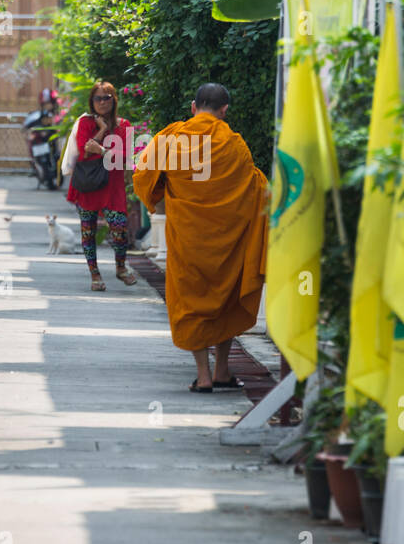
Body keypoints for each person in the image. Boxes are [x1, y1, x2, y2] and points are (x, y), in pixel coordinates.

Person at [133, 82, 268, 392]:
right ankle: (223, 370)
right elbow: (255, 186)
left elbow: (143, 175)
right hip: (228, 240)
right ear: (225, 111)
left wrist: (159, 195)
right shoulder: (234, 144)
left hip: (187, 237)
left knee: (190, 302)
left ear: (193, 107)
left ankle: (205, 376)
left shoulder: (172, 138)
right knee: (226, 301)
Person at [66, 80, 138, 292]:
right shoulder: (85, 123)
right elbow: (84, 151)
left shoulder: (124, 125)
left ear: (114, 100)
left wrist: (102, 151)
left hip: (113, 185)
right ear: (92, 101)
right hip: (88, 183)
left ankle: (121, 267)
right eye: (98, 98)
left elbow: (127, 158)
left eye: (107, 98)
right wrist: (102, 130)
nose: (102, 102)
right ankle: (95, 274)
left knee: (120, 229)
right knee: (88, 231)